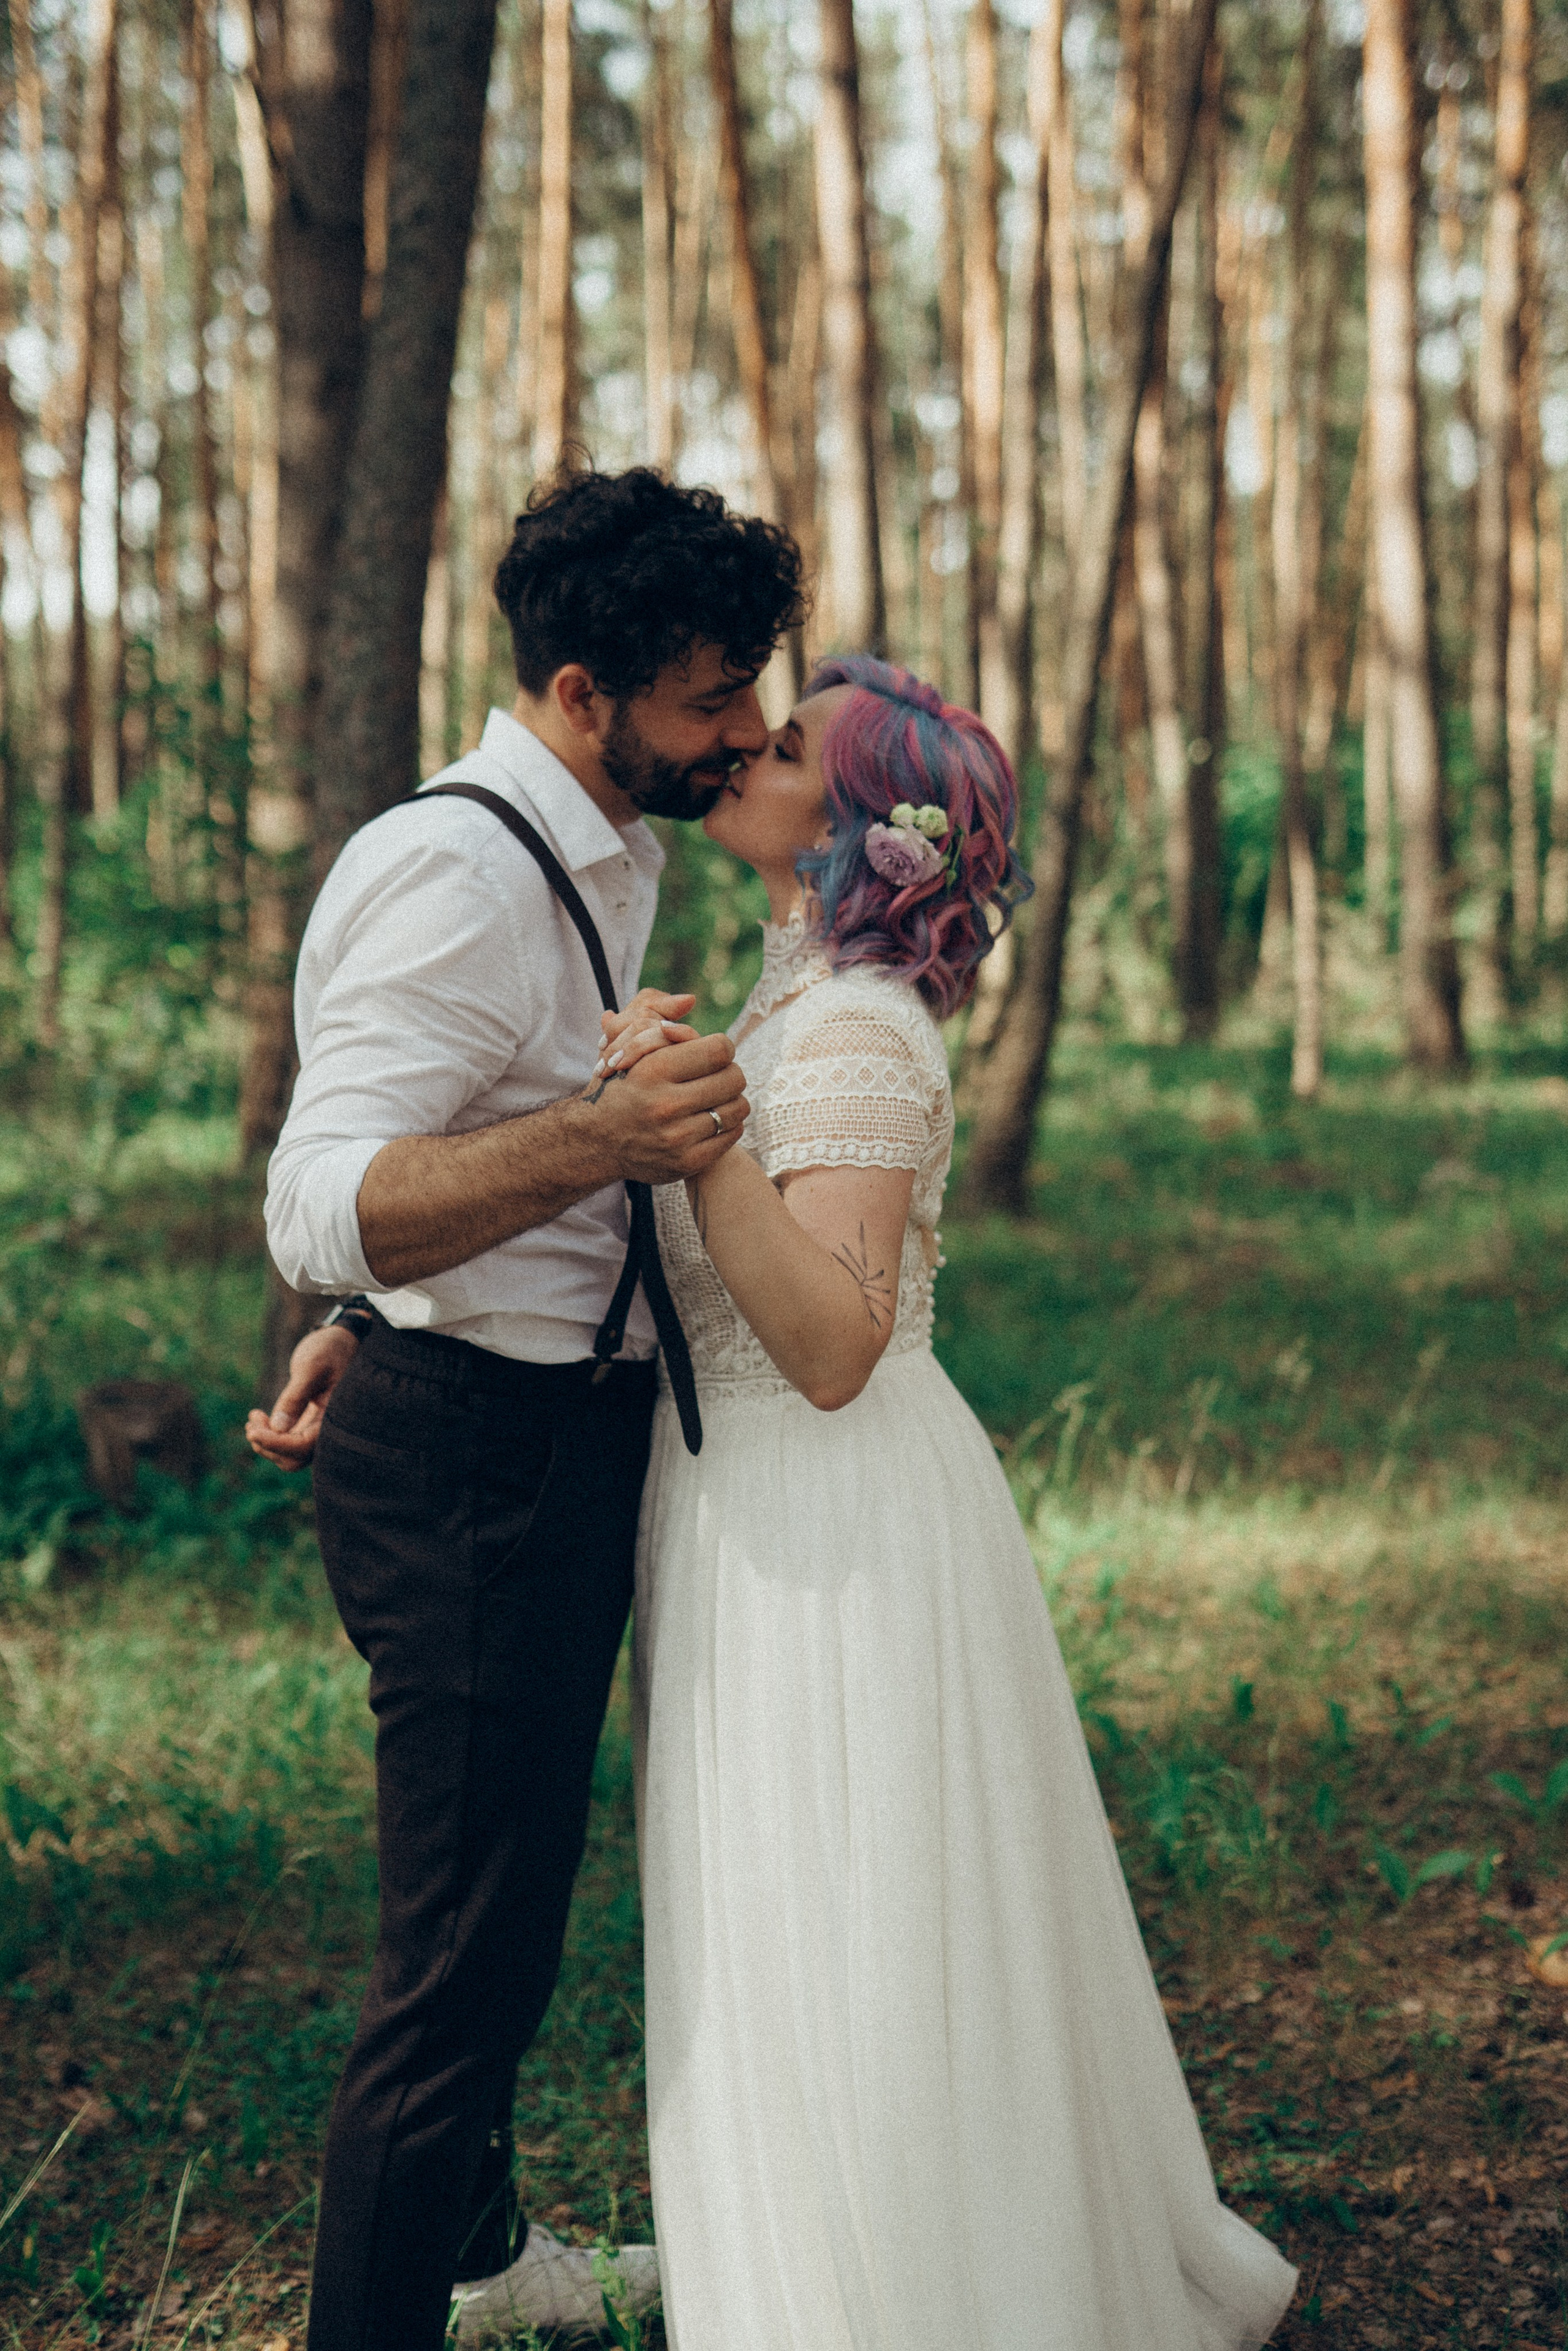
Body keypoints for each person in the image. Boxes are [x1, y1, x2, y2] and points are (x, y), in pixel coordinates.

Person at [605, 657, 1299, 2349]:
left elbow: (835, 1345)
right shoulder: (787, 1004)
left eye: (785, 749)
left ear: (858, 831)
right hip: (740, 1500)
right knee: (789, 1919)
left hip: (834, 1512)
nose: (742, 755)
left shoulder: (853, 1028)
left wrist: (695, 1137)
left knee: (862, 1920)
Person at [252, 464, 804, 2351]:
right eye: (711, 699)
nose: (745, 732)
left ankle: (485, 2269)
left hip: (533, 1433)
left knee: (508, 1916)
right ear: (583, 692)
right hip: (475, 1466)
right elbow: (316, 1198)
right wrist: (595, 1144)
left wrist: (387, 1303)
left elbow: (437, 1154)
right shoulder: (462, 871)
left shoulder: (601, 840)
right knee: (459, 1976)